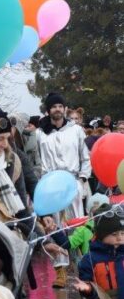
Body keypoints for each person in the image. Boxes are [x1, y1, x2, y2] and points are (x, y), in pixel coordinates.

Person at [36, 91, 91, 288]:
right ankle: (60, 269)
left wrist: (82, 179)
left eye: (60, 106)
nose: (57, 109)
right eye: (54, 106)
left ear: (64, 108)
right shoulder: (41, 133)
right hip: (51, 184)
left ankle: (85, 265)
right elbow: (38, 161)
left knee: (77, 223)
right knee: (55, 225)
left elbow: (85, 156)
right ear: (48, 110)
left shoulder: (76, 130)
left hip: (72, 181)